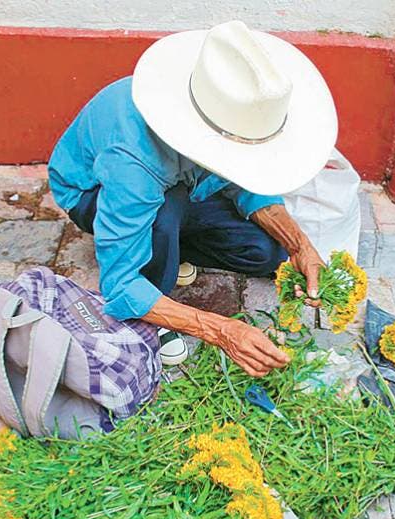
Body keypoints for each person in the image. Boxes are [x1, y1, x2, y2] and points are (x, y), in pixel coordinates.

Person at [48, 20, 338, 376]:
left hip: (181, 184)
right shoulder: (134, 162)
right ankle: (153, 298)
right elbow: (119, 284)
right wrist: (220, 330)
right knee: (165, 212)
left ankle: (168, 249)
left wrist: (299, 245)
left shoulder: (228, 105)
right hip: (92, 193)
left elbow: (247, 179)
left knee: (266, 253)